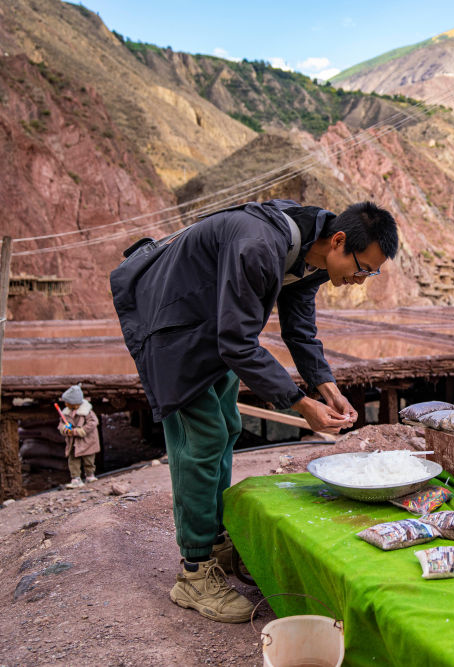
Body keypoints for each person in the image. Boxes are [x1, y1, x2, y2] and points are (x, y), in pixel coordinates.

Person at [111, 198, 398, 623]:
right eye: (363, 268)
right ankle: (194, 572)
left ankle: (213, 541)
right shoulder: (260, 246)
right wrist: (301, 405)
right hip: (172, 322)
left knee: (226, 426)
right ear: (339, 241)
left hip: (215, 326)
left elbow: (298, 328)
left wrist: (328, 388)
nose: (360, 280)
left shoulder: (313, 253)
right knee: (201, 440)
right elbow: (238, 343)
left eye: (370, 273)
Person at [59, 384, 101, 488]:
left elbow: (93, 423)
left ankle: (89, 475)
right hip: (73, 443)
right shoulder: (66, 413)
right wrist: (65, 429)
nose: (65, 404)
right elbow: (61, 424)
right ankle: (76, 478)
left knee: (88, 459)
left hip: (87, 441)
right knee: (73, 460)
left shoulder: (87, 412)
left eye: (67, 402)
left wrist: (81, 430)